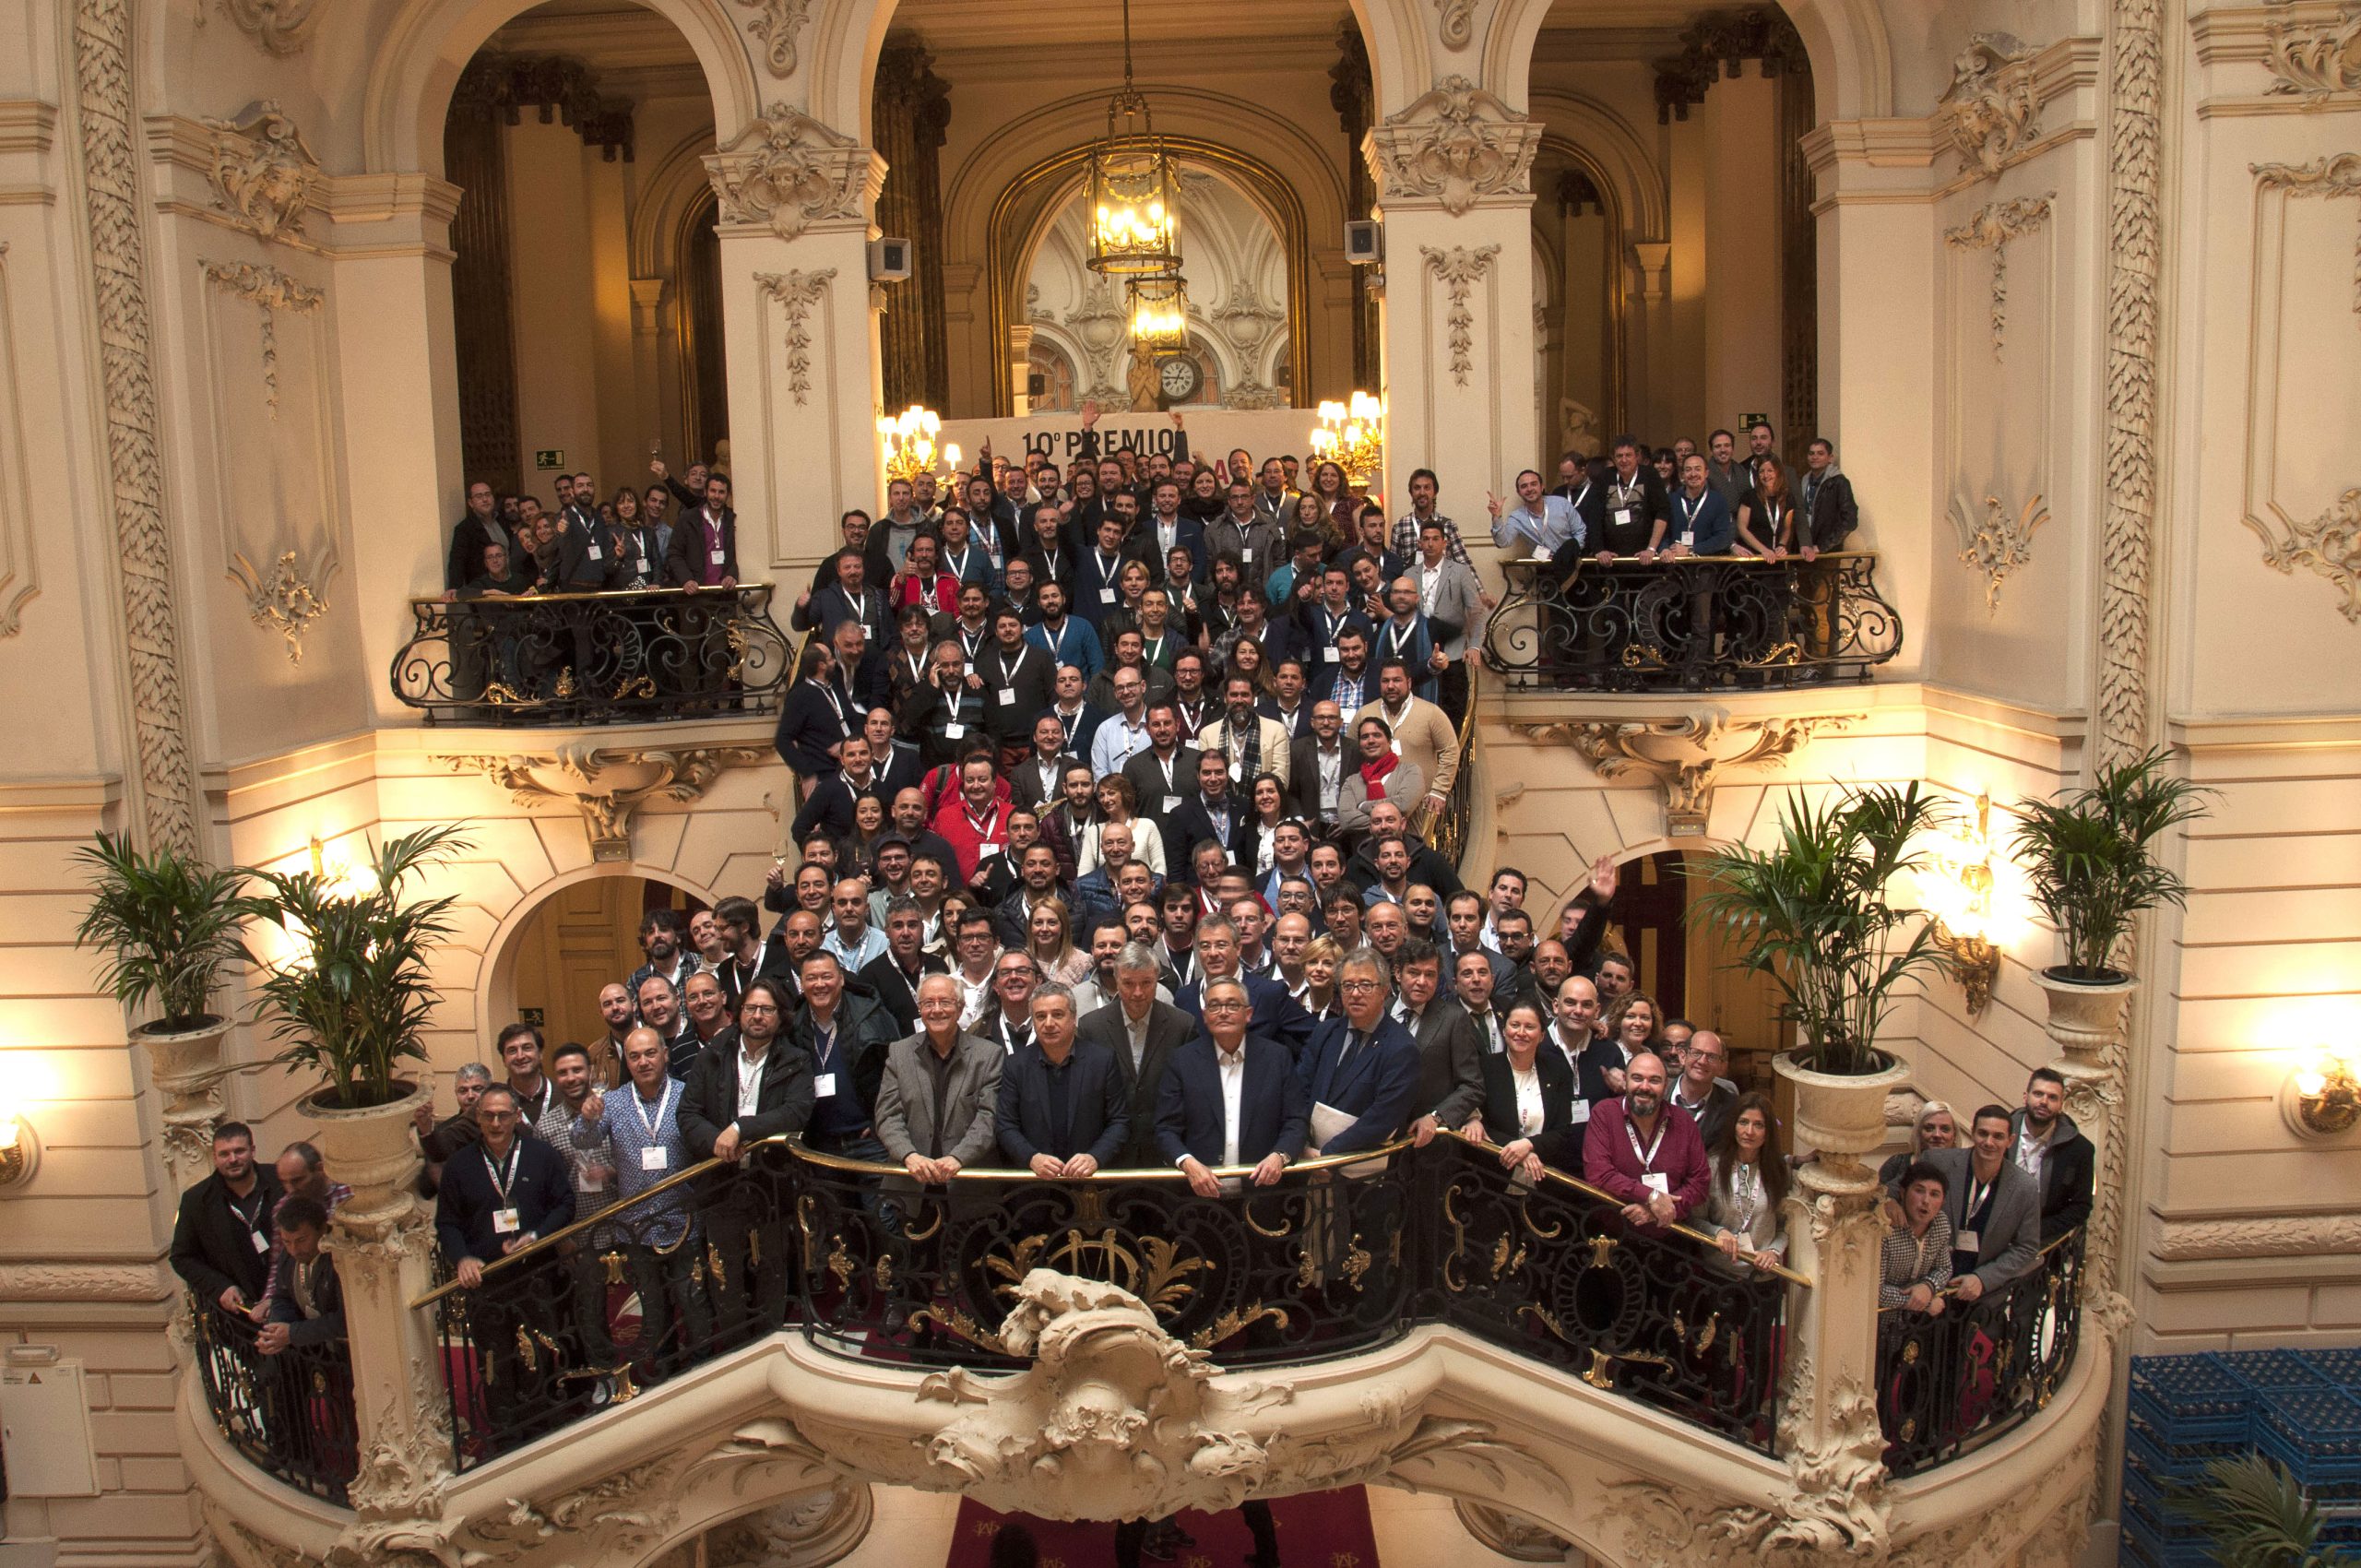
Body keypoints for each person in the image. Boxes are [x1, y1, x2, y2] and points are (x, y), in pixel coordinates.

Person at [433, 1085, 575, 1406]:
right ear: (478, 1119)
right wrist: (462, 1259)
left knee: (538, 1355)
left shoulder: (541, 1155)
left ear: (516, 1116)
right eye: (488, 1116)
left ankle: (545, 1422)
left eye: (503, 1116)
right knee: (496, 1364)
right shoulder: (459, 1165)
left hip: (536, 1275)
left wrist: (537, 1236)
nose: (496, 1124)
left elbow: (565, 1204)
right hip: (487, 1283)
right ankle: (504, 1431)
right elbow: (447, 1223)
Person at [1156, 978, 1307, 1194]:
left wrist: (1280, 1155)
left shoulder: (1277, 1057)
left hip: (1263, 1195)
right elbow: (1165, 1129)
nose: (1223, 1012)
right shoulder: (1182, 1060)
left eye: (1232, 1005)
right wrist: (1188, 1163)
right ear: (1205, 1016)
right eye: (1215, 1006)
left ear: (1248, 1014)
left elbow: (1296, 1120)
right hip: (1198, 1201)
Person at [1894, 1104, 2040, 1303]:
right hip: (1925, 1289)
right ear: (1972, 1133)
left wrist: (1983, 1279)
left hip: (1982, 1297)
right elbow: (1893, 1189)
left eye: (1998, 1136)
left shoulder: (2025, 1187)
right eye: (1983, 1133)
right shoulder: (1937, 1161)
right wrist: (1888, 1202)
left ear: (2010, 1140)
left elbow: (2027, 1248)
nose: (1989, 1142)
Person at [874, 974, 1003, 1184]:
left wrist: (957, 1157)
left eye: (945, 1002)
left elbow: (988, 1118)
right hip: (911, 1183)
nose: (936, 1010)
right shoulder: (899, 1053)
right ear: (920, 1009)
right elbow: (888, 1117)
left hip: (968, 1184)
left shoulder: (988, 1055)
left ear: (960, 1008)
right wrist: (909, 1155)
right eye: (928, 1003)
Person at [1295, 947, 1421, 1156]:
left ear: (1384, 990)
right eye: (1348, 985)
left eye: (1365, 985)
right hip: (1308, 1158)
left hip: (1361, 1169)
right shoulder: (1325, 1032)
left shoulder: (1401, 1047)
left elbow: (1383, 1118)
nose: (1355, 993)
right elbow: (1299, 1091)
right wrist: (1304, 1145)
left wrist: (1327, 1154)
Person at [995, 982, 1129, 1176]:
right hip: (1035, 1185)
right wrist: (1032, 1157)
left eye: (1057, 1015)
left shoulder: (1102, 1061)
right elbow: (1006, 1125)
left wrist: (1095, 1157)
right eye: (1041, 1016)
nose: (1049, 1023)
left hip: (1090, 1183)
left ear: (1073, 1018)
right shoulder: (1016, 1065)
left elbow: (1119, 1121)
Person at [788, 951, 899, 1164]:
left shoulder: (871, 1016)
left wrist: (880, 1125)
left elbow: (900, 1075)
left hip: (871, 1142)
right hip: (820, 1145)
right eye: (811, 978)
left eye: (826, 976)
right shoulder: (793, 1027)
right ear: (801, 984)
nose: (819, 984)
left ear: (841, 979)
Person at [1582, 1051, 1708, 1234]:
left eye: (1654, 1081)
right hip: (1611, 1236)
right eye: (1637, 1078)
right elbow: (1598, 1174)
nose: (1645, 1087)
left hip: (1672, 1238)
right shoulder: (1605, 1113)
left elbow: (1700, 1182)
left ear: (1666, 1086)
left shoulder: (1684, 1122)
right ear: (1625, 1080)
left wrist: (1661, 1210)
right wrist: (1651, 1196)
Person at [172, 1122, 284, 1315]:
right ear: (214, 1157)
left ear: (252, 1151)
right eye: (224, 1154)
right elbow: (182, 1257)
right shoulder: (197, 1200)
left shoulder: (280, 1180)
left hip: (290, 1304)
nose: (233, 1159)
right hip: (241, 1316)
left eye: (239, 1151)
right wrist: (220, 1287)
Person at [1464, 999, 1582, 1180]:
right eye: (1515, 1025)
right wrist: (1519, 1149)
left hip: (1543, 1180)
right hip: (1492, 1178)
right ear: (1504, 1031)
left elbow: (1563, 1131)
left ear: (1542, 1035)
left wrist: (1529, 1145)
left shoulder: (1557, 1071)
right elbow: (1482, 1124)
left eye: (1529, 1027)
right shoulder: (1486, 1068)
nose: (1521, 1033)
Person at [1391, 940, 1485, 1146]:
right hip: (1380, 1138)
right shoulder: (1380, 1011)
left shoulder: (1454, 1018)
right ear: (1398, 974)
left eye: (1430, 974)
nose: (1422, 981)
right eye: (1414, 973)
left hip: (1429, 1143)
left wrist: (1436, 1116)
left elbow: (1472, 1085)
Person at [1353, 659, 1461, 821]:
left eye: (1397, 680)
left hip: (1421, 808)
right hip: (1375, 810)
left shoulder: (1431, 713)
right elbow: (1351, 755)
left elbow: (1450, 750)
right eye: (1385, 681)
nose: (1390, 686)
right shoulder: (1365, 713)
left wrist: (1439, 790)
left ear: (1409, 682)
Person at [1702, 1092, 1788, 1274]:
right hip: (1717, 1275)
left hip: (1762, 1276)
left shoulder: (1779, 1169)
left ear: (1768, 1131)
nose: (1749, 1132)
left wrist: (1773, 1251)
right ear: (1733, 1125)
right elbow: (1694, 1218)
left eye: (1759, 1125)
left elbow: (1785, 1226)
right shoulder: (1713, 1165)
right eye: (1743, 1122)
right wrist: (1717, 1232)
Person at [256, 1196, 344, 1365]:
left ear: (323, 1229)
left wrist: (293, 1333)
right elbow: (282, 1296)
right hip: (316, 1357)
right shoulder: (288, 1257)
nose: (294, 1250)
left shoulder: (340, 1260)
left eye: (301, 1240)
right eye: (286, 1242)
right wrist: (276, 1329)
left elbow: (344, 1319)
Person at [2011, 1067, 2094, 1241]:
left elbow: (2081, 1207)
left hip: (2042, 1240)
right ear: (2026, 1097)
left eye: (2052, 1097)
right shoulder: (2000, 1133)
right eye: (2038, 1094)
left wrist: (2034, 1232)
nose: (2044, 1101)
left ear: (2061, 1105)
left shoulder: (2080, 1149)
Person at [535, 1042, 618, 1215]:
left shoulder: (614, 1111)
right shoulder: (545, 1128)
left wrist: (610, 1173)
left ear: (589, 1071)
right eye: (562, 1073)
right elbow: (544, 1188)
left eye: (577, 1070)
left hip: (622, 1226)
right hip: (576, 1229)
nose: (571, 1078)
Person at [1881, 1161, 1955, 1313]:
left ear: (1943, 1201)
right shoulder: (1885, 1230)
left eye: (1934, 1194)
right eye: (1919, 1191)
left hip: (1914, 1325)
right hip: (1877, 1321)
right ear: (1903, 1193)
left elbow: (1944, 1268)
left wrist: (1928, 1286)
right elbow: (1873, 1290)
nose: (1926, 1201)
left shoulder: (1940, 1223)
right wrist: (1923, 1303)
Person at [1337, 718, 1424, 840]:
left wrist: (1362, 806)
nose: (1371, 741)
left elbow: (1404, 805)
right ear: (1360, 746)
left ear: (1389, 742)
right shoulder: (1352, 782)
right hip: (1366, 854)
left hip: (1407, 852)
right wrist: (1392, 821)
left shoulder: (1410, 771)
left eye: (1377, 735)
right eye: (1365, 737)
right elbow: (1346, 820)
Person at [1667, 1029, 1739, 1149]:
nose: (1702, 1061)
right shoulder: (1657, 1096)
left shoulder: (1732, 1108)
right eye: (1696, 1053)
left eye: (1711, 1057)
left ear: (1721, 1066)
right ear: (1682, 1057)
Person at [1877, 1099, 1959, 1187]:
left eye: (1945, 1129)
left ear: (1954, 1135)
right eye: (1929, 1128)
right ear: (1918, 1132)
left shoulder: (1962, 1169)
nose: (1937, 1135)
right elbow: (1877, 1199)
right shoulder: (1897, 1164)